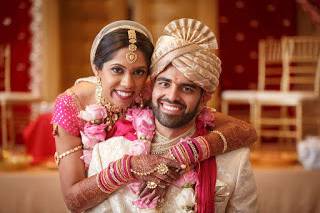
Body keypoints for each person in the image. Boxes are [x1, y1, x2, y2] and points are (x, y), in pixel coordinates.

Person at [51, 20, 257, 212]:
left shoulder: (153, 91)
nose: (128, 84)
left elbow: (246, 131)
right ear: (97, 69)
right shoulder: (71, 105)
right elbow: (72, 200)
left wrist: (188, 152)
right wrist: (129, 167)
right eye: (116, 70)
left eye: (139, 72)